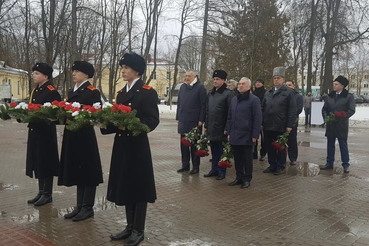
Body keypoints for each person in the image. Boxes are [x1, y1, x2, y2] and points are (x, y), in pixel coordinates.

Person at [102, 53, 159, 246]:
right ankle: (129, 227)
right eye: (123, 67)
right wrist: (104, 122)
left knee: (139, 187)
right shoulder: (120, 93)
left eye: (126, 67)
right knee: (125, 184)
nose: (123, 71)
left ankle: (138, 230)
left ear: (137, 70)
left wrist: (131, 126)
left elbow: (152, 120)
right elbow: (116, 118)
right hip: (122, 146)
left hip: (137, 146)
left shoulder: (147, 92)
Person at [58, 61, 103, 222]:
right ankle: (79, 206)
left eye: (77, 71)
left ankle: (87, 207)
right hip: (72, 134)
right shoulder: (72, 91)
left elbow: (97, 113)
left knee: (88, 171)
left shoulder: (91, 92)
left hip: (84, 136)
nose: (74, 73)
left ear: (86, 74)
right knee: (77, 169)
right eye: (73, 71)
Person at [26, 63, 61, 206]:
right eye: (34, 73)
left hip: (46, 132)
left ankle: (47, 193)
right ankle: (41, 191)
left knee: (46, 162)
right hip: (35, 130)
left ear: (45, 76)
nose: (34, 75)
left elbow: (56, 114)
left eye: (37, 73)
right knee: (38, 161)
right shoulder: (37, 90)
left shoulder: (51, 92)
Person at [226, 77, 262, 188]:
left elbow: (257, 118)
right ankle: (239, 177)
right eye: (239, 84)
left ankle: (247, 178)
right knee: (237, 158)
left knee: (247, 159)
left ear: (249, 86)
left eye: (243, 84)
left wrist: (255, 134)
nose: (240, 86)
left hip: (247, 134)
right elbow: (230, 116)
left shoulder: (254, 100)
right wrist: (228, 131)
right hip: (235, 134)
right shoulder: (234, 99)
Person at [262, 67, 296, 175]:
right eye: (274, 78)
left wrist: (290, 125)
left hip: (281, 124)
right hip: (268, 124)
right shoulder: (268, 92)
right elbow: (263, 108)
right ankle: (272, 164)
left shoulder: (289, 92)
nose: (276, 80)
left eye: (278, 78)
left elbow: (292, 110)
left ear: (283, 79)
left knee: (280, 146)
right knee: (269, 146)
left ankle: (280, 166)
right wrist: (262, 122)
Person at [321, 76, 355, 173]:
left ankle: (345, 164)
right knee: (330, 144)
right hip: (331, 124)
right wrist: (326, 118)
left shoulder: (349, 96)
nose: (334, 86)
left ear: (342, 86)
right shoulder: (330, 96)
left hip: (341, 125)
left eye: (336, 84)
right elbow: (324, 109)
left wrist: (343, 115)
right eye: (334, 84)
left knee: (343, 145)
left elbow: (351, 110)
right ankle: (329, 163)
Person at [204, 70, 234, 180]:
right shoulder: (211, 93)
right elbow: (208, 110)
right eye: (214, 79)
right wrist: (206, 125)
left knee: (221, 151)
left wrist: (227, 128)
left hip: (222, 128)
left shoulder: (228, 93)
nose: (215, 81)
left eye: (217, 79)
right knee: (214, 150)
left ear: (223, 80)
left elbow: (230, 112)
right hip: (212, 126)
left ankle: (222, 171)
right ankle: (214, 169)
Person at [176, 70, 207, 174]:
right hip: (183, 120)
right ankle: (185, 165)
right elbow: (179, 103)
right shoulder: (183, 87)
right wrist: (178, 116)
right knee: (183, 145)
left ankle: (195, 167)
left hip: (194, 122)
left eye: (189, 76)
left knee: (194, 146)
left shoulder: (200, 88)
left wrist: (201, 119)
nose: (187, 78)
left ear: (195, 77)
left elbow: (203, 105)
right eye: (186, 76)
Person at [285, 80, 303, 165]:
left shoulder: (298, 96)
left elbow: (299, 109)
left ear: (293, 86)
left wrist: (291, 114)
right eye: (286, 85)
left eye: (290, 85)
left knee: (292, 140)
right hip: (282, 120)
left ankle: (293, 158)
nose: (288, 86)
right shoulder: (283, 95)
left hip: (292, 121)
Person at [252, 78, 267, 161]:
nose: (257, 83)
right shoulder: (253, 93)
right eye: (256, 82)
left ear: (262, 84)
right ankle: (254, 153)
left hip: (262, 117)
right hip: (254, 118)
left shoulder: (265, 93)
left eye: (259, 82)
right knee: (254, 136)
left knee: (263, 138)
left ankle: (263, 153)